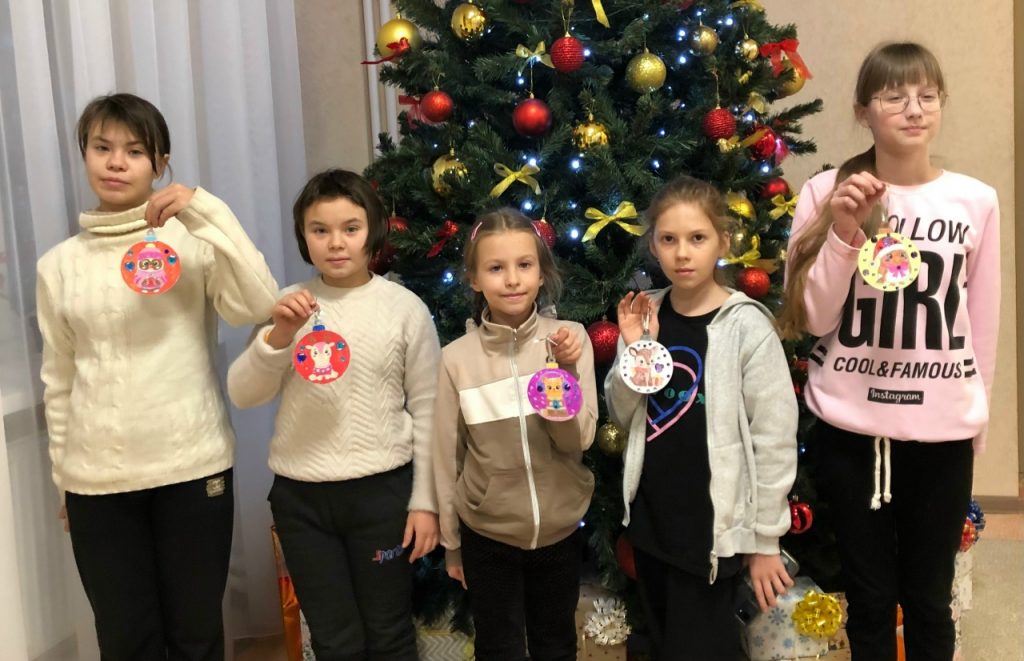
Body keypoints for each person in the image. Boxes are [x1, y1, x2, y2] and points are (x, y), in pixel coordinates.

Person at [36, 93, 279, 660]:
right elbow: (59, 380)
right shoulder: (58, 265)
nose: (116, 162)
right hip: (97, 481)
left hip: (191, 468)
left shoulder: (192, 243)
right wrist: (65, 480)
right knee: (125, 639)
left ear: (160, 163)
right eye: (102, 147)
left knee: (195, 635)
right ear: (85, 155)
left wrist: (206, 211)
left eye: (134, 151)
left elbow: (260, 303)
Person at [778, 42, 1000, 661]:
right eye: (894, 97)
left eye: (927, 96)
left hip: (942, 433)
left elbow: (981, 325)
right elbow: (812, 318)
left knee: (929, 599)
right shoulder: (825, 192)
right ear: (863, 111)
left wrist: (976, 420)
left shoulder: (975, 200)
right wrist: (845, 232)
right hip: (850, 431)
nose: (914, 109)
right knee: (870, 597)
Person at [227, 168, 440, 660]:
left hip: (382, 494)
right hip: (301, 501)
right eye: (320, 230)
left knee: (389, 633)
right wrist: (279, 337)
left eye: (351, 228)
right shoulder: (289, 307)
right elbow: (243, 392)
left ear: (374, 231)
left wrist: (426, 501)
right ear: (304, 236)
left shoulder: (404, 308)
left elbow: (429, 408)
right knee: (332, 639)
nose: (336, 243)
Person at [606, 175, 798, 660]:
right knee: (662, 644)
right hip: (653, 524)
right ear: (654, 245)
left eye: (697, 238)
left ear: (722, 242)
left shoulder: (746, 326)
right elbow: (622, 414)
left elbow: (774, 436)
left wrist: (766, 539)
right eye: (669, 240)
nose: (682, 253)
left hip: (712, 532)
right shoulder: (645, 315)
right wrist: (637, 350)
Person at [432, 208, 597, 660]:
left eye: (524, 265)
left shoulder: (571, 339)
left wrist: (564, 375)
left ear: (542, 273)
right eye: (495, 268)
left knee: (555, 645)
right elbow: (446, 457)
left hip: (559, 531)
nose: (512, 280)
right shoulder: (456, 360)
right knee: (498, 647)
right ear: (474, 279)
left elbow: (578, 441)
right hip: (488, 537)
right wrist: (452, 544)